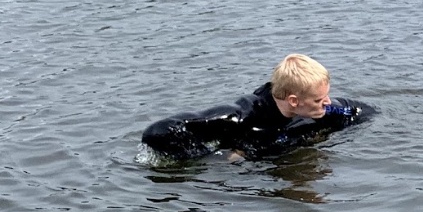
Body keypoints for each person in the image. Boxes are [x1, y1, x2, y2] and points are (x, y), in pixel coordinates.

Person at [140, 53, 372, 161]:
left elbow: (363, 112)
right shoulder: (239, 117)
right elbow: (158, 132)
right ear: (294, 101)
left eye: (326, 96)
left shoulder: (325, 110)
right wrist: (208, 157)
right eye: (319, 100)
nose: (328, 103)